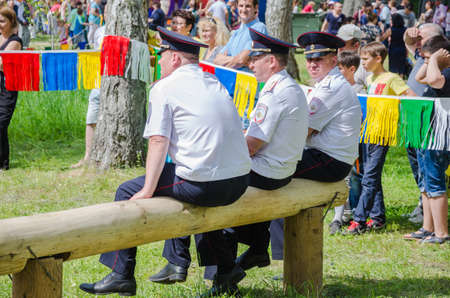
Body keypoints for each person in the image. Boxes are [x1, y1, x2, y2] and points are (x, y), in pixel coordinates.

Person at [79, 26, 252, 297]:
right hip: (240, 181)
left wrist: (148, 189)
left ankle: (121, 274)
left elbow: (158, 141)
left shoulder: (165, 87)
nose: (158, 61)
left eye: (161, 55)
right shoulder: (214, 82)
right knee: (202, 200)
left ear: (174, 58)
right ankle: (227, 270)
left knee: (126, 191)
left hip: (208, 184)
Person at [270, 32, 361, 259]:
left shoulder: (331, 88)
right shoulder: (325, 84)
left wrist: (266, 141)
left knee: (271, 169)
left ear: (333, 59)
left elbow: (302, 132)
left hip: (330, 161)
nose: (312, 64)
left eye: (318, 59)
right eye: (309, 59)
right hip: (323, 156)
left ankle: (280, 252)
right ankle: (274, 250)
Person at [346, 42, 415, 234]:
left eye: (366, 59)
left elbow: (411, 96)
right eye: (361, 59)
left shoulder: (392, 78)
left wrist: (400, 117)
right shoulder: (370, 79)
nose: (363, 63)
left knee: (369, 178)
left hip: (382, 134)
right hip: (368, 131)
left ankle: (359, 220)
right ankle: (377, 217)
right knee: (370, 175)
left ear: (379, 58)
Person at [404, 35, 450, 244]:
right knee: (425, 182)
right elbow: (421, 78)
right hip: (427, 131)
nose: (426, 61)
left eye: (429, 58)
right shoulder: (433, 66)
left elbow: (433, 80)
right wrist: (428, 60)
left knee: (435, 182)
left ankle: (441, 233)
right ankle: (427, 227)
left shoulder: (445, 71)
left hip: (439, 135)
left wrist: (435, 61)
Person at [71, 20, 105, 168]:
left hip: (119, 80)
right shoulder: (100, 31)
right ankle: (88, 156)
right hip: (98, 80)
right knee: (91, 118)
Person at [213, 0, 267, 70]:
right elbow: (216, 60)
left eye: (248, 6)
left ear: (255, 8)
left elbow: (240, 61)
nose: (244, 10)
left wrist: (227, 61)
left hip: (247, 79)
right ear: (237, 7)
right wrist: (236, 59)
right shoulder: (236, 32)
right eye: (241, 6)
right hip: (232, 78)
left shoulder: (259, 28)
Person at [0, 7, 21, 171]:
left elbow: (2, 64)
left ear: (10, 22)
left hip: (7, 88)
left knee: (1, 124)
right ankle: (3, 162)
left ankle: (3, 163)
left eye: (2, 21)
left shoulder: (15, 41)